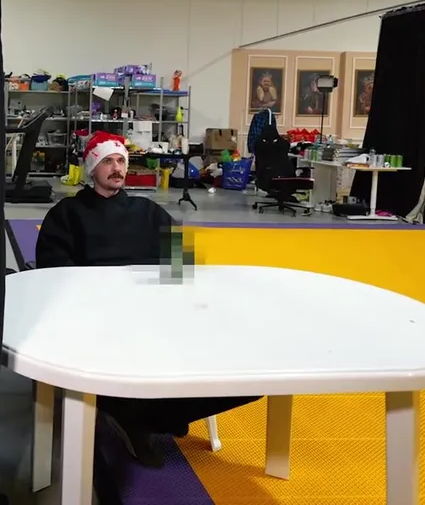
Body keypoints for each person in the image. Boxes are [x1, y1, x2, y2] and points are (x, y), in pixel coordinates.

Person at [35, 131, 262, 468]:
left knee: (247, 371)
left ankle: (151, 414)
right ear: (92, 168)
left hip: (155, 313)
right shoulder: (66, 215)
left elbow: (181, 265)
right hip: (99, 320)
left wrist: (176, 301)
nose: (116, 168)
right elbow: (54, 275)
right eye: (108, 161)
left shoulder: (148, 211)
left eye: (121, 161)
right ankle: (143, 415)